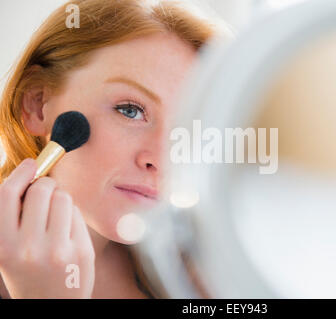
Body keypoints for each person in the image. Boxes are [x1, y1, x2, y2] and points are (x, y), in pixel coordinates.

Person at [0, 0, 222, 298]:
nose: (160, 159)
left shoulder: (190, 274)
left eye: (186, 128)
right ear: (38, 105)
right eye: (130, 110)